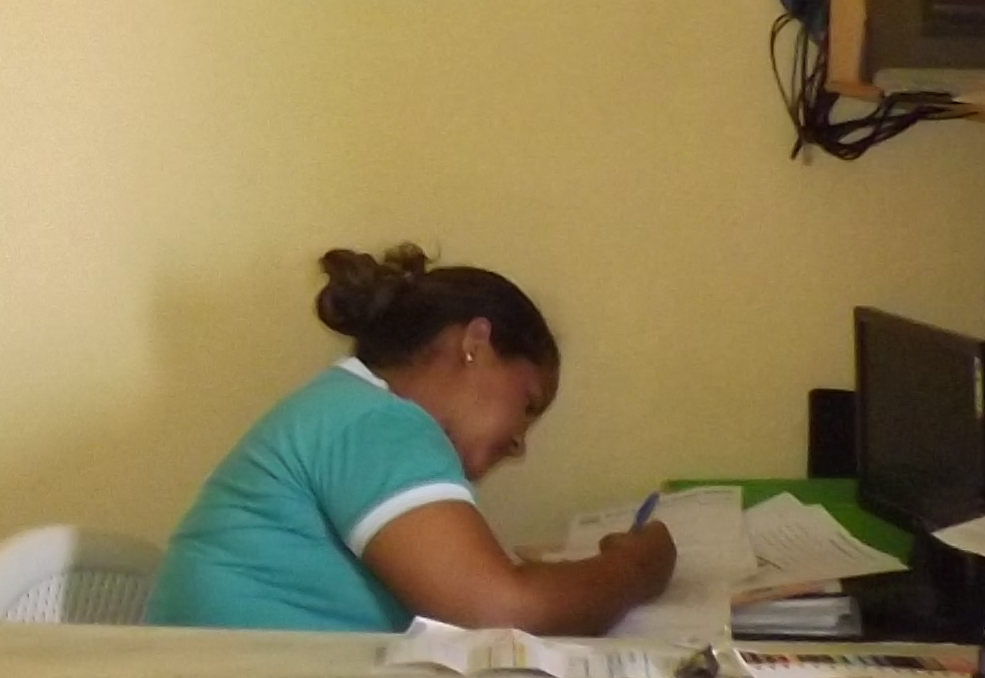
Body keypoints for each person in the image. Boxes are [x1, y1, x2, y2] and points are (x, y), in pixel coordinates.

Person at [145, 245, 675, 634]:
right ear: (476, 344)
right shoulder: (378, 423)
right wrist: (635, 571)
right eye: (528, 405)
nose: (520, 443)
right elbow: (500, 611)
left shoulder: (349, 408)